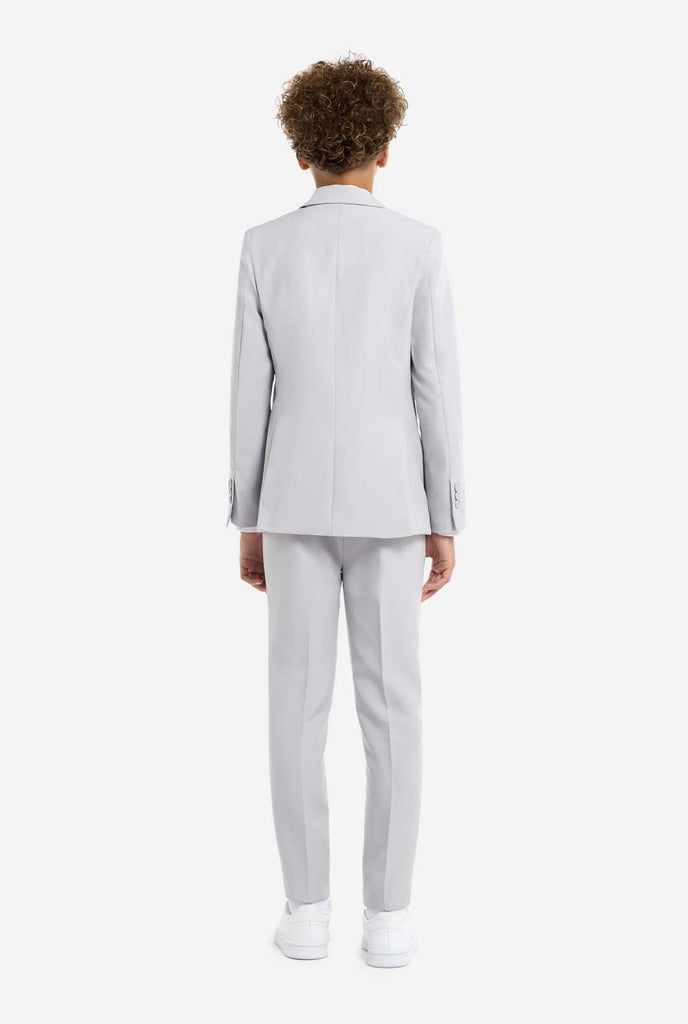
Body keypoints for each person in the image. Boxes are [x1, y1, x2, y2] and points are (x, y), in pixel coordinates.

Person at [228, 55, 464, 968]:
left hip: (290, 504)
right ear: (385, 149)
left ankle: (306, 912)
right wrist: (445, 515)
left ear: (301, 152)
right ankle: (389, 919)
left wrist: (249, 514)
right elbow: (434, 390)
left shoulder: (264, 245)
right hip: (393, 504)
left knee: (295, 706)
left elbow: (250, 396)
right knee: (393, 708)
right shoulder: (418, 245)